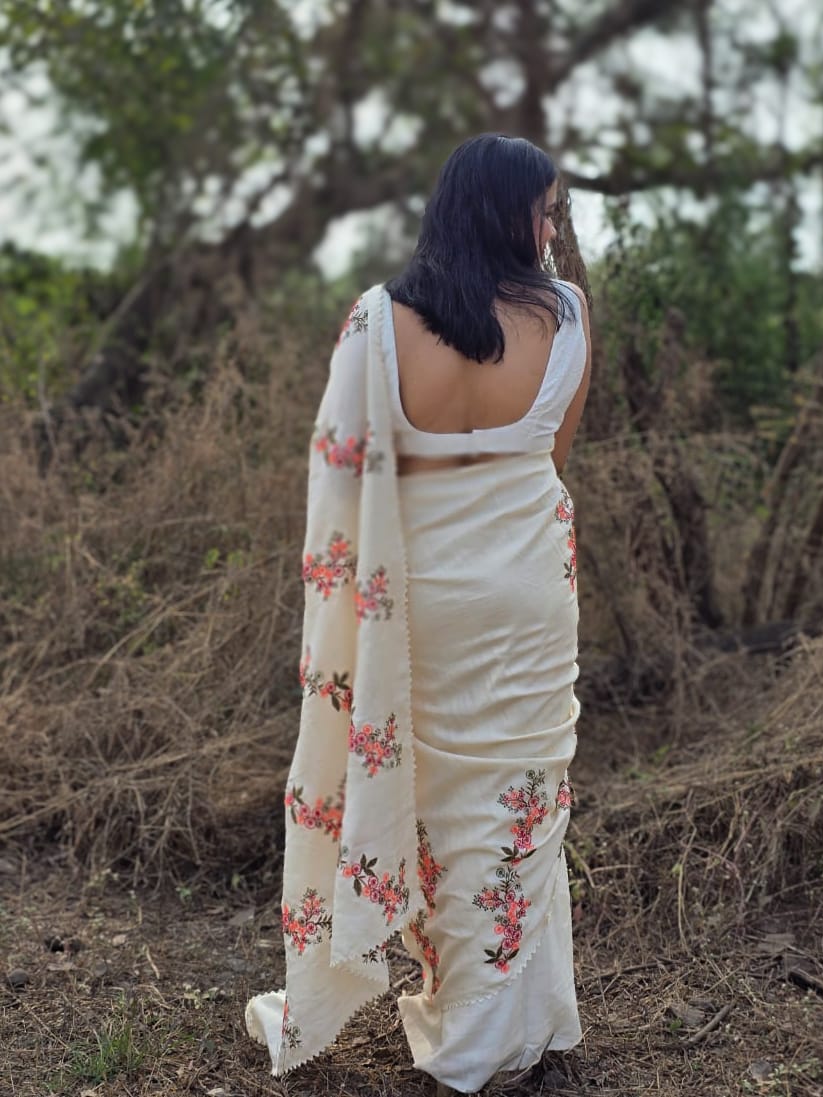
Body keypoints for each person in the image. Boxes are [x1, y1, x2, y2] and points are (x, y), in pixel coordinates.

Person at [245, 133, 592, 1097]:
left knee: (438, 806)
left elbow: (345, 469)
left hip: (423, 604)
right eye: (545, 208)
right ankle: (506, 1033)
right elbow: (552, 452)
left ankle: (476, 1021)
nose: (551, 226)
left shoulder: (379, 319)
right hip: (525, 591)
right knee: (524, 805)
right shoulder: (564, 314)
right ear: (507, 212)